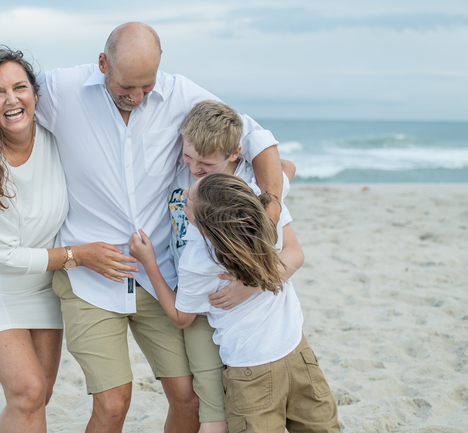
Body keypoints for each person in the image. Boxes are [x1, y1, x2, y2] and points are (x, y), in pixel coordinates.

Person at [0, 23, 284, 433]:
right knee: (112, 404)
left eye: (147, 85)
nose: (137, 96)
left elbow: (251, 135)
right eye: (126, 86)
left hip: (157, 276)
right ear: (103, 64)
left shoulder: (181, 95)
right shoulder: (60, 90)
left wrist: (273, 201)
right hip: (88, 280)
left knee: (188, 399)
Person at [0, 47, 138, 433]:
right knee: (28, 392)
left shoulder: (56, 138)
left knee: (39, 394)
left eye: (20, 87)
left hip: (39, 287)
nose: (12, 99)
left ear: (35, 92)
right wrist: (77, 256)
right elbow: (1, 258)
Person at [130, 173, 340, 433]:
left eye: (189, 201)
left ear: (204, 230)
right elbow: (286, 167)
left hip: (250, 370)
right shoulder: (263, 218)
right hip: (297, 351)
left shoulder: (197, 260)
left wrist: (149, 263)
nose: (184, 196)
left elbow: (181, 318)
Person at [166, 100, 302, 432]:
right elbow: (287, 166)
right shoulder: (186, 172)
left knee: (222, 413)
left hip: (242, 321)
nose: (195, 168)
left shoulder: (251, 193)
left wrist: (253, 283)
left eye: (205, 164)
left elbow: (294, 252)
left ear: (234, 154)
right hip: (197, 300)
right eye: (189, 157)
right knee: (209, 401)